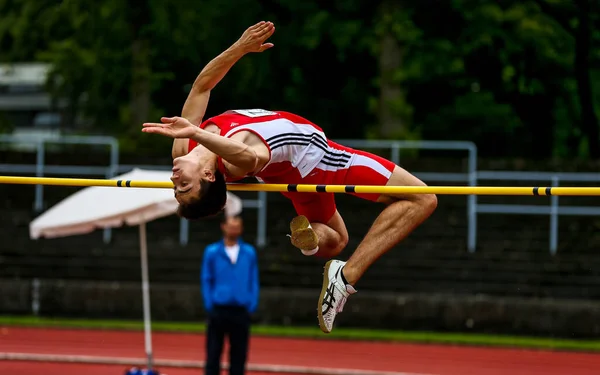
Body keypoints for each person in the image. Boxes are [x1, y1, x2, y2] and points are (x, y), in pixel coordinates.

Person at [142, 21, 437, 333]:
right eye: (183, 186)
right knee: (424, 198)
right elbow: (250, 156)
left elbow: (202, 86)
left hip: (290, 173)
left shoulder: (181, 146)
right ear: (208, 175)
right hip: (320, 159)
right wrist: (197, 131)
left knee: (336, 241)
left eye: (176, 187)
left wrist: (240, 48)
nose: (174, 179)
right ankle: (347, 277)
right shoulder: (233, 162)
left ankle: (308, 238)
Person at [201, 215, 259, 375]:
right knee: (213, 353)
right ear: (223, 227)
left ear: (241, 229)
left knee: (239, 355)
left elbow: (253, 279)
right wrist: (209, 304)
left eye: (237, 226)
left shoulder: (249, 252)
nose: (233, 229)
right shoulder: (212, 252)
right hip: (218, 309)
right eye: (231, 226)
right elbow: (206, 279)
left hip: (241, 309)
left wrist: (252, 303)